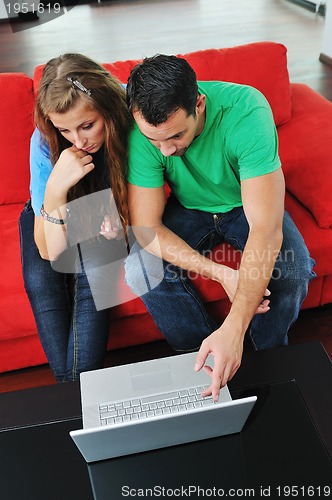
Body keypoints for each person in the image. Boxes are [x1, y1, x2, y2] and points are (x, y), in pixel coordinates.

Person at [124, 54, 316, 402]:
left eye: (176, 135)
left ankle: (263, 357)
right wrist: (221, 274)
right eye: (155, 141)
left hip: (245, 204)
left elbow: (264, 228)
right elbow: (146, 228)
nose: (166, 150)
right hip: (189, 208)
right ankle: (200, 359)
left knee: (292, 269)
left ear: (199, 104)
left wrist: (235, 326)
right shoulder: (143, 131)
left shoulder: (246, 111)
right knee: (139, 270)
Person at [19, 53, 132, 382]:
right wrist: (55, 189)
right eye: (64, 130)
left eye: (87, 125)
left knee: (94, 275)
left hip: (106, 206)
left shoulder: (132, 109)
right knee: (40, 281)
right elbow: (49, 251)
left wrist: (123, 221)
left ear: (108, 107)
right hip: (52, 212)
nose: (78, 141)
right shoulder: (43, 142)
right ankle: (75, 396)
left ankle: (71, 396)